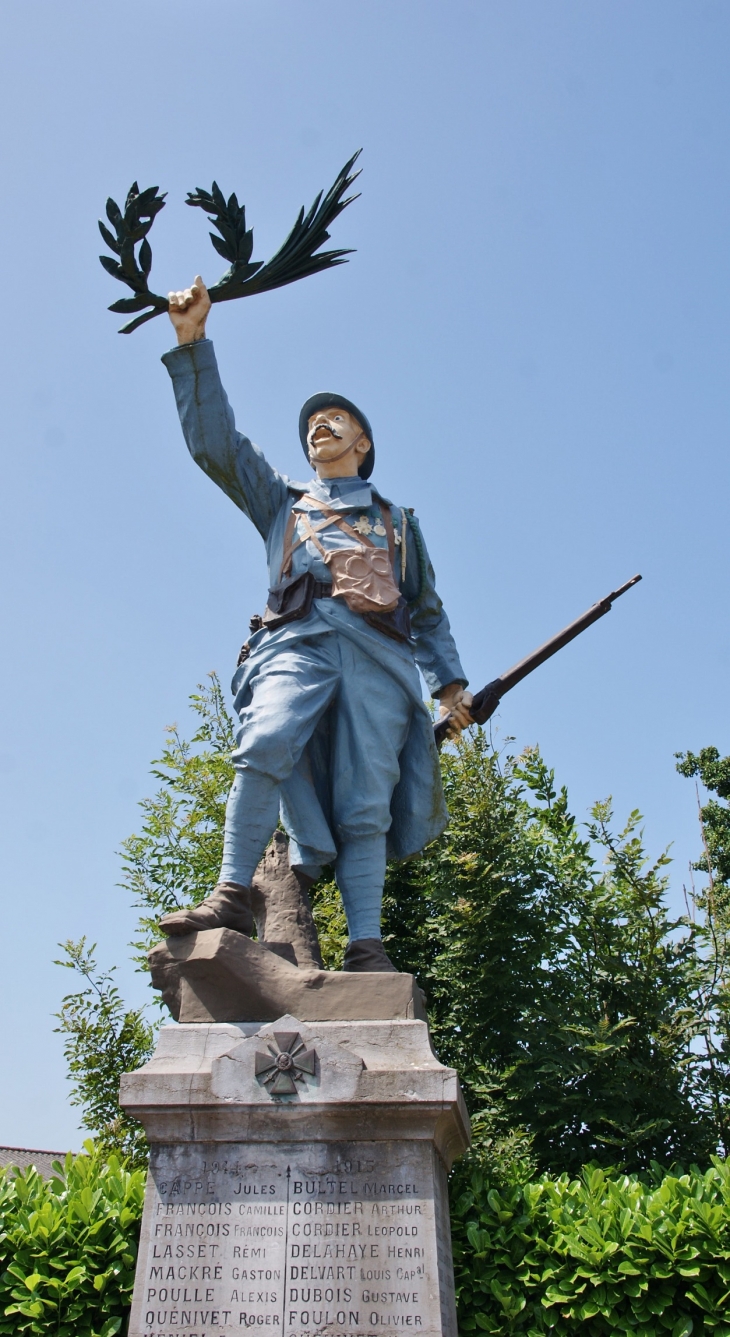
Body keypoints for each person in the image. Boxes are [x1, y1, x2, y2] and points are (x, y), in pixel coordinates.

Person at [158, 276, 473, 972]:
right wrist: (193, 342)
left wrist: (449, 684)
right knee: (264, 740)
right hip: (295, 641)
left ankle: (368, 945)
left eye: (335, 417)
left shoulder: (397, 522)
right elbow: (217, 446)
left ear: (363, 440)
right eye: (311, 421)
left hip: (382, 662)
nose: (318, 424)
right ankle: (231, 891)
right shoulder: (284, 504)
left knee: (367, 804)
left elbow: (426, 610)